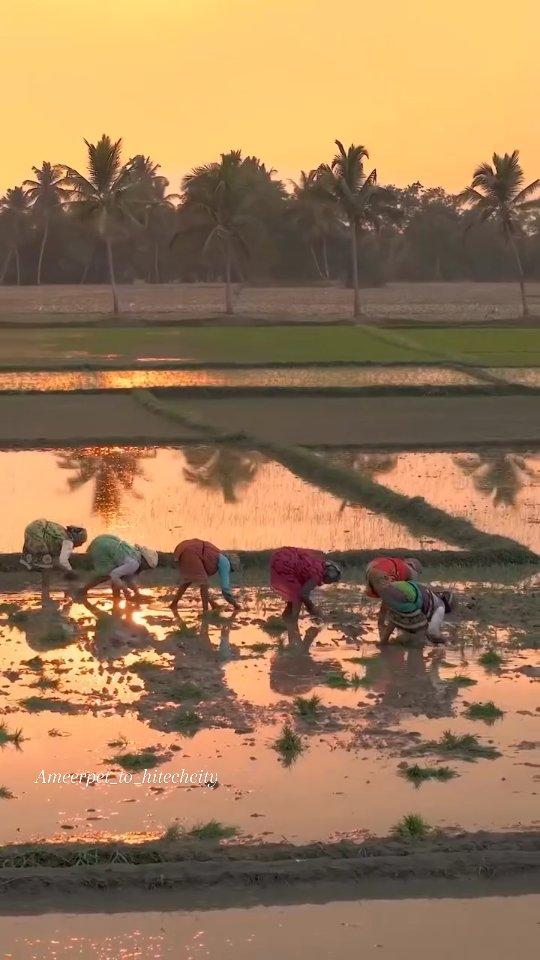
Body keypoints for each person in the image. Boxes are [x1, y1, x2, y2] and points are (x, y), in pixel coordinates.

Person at [77, 534, 158, 604]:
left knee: (117, 575)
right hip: (103, 548)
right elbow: (114, 574)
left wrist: (137, 593)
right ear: (144, 561)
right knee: (105, 575)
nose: (145, 570)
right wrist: (125, 590)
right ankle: (83, 591)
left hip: (104, 541)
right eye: (147, 567)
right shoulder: (134, 564)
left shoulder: (135, 555)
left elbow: (128, 579)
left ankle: (116, 598)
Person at [20, 519, 87, 601]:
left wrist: (65, 570)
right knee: (46, 565)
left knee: (47, 561)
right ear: (77, 538)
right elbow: (63, 561)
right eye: (81, 542)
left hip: (34, 527)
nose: (80, 545)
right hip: (37, 532)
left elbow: (57, 559)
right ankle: (45, 593)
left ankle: (46, 588)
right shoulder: (68, 542)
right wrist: (71, 572)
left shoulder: (63, 533)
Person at [270, 546, 342, 621]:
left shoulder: (318, 565)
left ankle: (286, 619)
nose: (329, 583)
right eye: (331, 581)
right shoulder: (317, 575)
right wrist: (312, 608)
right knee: (296, 597)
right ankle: (291, 622)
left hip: (282, 556)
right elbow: (303, 594)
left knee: (294, 596)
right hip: (286, 564)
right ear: (328, 576)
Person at [170, 539, 241, 612]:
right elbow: (225, 589)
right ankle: (205, 611)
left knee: (187, 582)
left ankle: (174, 604)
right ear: (231, 565)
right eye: (231, 570)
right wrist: (236, 605)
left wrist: (213, 603)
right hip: (192, 553)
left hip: (184, 550)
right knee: (204, 585)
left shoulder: (215, 555)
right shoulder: (225, 563)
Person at [377, 580, 452, 645]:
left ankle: (446, 642)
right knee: (429, 634)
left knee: (422, 634)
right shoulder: (440, 605)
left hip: (415, 600)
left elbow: (393, 620)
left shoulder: (434, 599)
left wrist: (384, 640)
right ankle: (447, 642)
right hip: (416, 602)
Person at [365, 556, 423, 640]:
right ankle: (383, 630)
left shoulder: (399, 565)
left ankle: (382, 625)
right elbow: (413, 592)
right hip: (383, 572)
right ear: (415, 568)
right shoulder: (411, 572)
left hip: (372, 568)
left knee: (387, 600)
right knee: (390, 601)